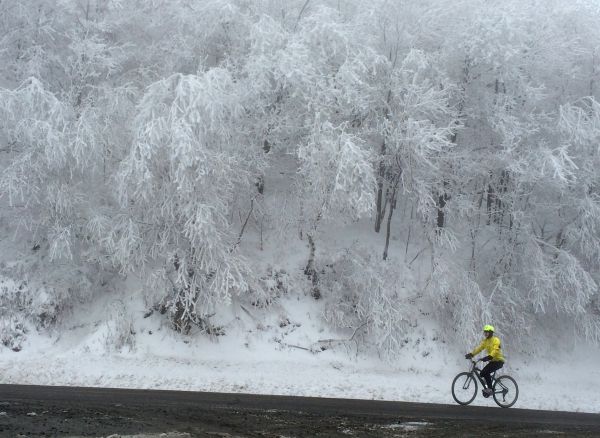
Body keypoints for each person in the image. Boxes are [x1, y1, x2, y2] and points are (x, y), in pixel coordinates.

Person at [465, 324, 505, 397]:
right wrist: (471, 354)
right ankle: (489, 386)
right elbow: (479, 348)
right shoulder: (485, 341)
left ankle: (490, 389)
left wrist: (490, 356)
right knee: (482, 373)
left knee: (485, 372)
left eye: (487, 332)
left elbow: (495, 350)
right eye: (485, 332)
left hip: (499, 361)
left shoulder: (496, 340)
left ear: (491, 332)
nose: (486, 333)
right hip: (492, 361)